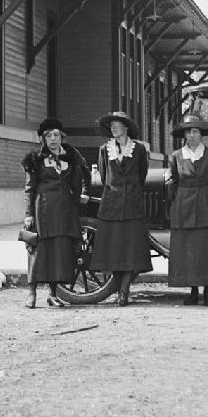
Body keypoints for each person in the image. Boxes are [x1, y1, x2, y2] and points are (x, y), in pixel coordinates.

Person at [21, 117, 88, 309]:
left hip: (65, 211)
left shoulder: (71, 157)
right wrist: (28, 214)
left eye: (56, 135)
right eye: (49, 136)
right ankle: (32, 293)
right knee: (39, 251)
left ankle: (53, 294)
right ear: (43, 139)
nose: (53, 139)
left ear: (61, 137)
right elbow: (29, 188)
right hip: (43, 210)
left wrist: (81, 197)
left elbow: (79, 182)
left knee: (59, 252)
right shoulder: (35, 159)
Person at [92, 110, 153, 306]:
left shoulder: (139, 150)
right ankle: (120, 289)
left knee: (132, 251)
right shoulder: (104, 149)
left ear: (126, 127)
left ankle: (124, 291)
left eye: (117, 123)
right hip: (111, 207)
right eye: (111, 124)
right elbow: (103, 177)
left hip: (133, 207)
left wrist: (130, 193)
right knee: (115, 250)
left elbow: (142, 175)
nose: (113, 127)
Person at [165, 113, 208, 306]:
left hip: (207, 207)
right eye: (188, 132)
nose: (191, 135)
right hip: (184, 208)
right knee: (188, 249)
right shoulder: (176, 156)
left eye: (195, 131)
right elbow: (172, 184)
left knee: (206, 249)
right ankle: (193, 291)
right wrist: (178, 203)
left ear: (201, 134)